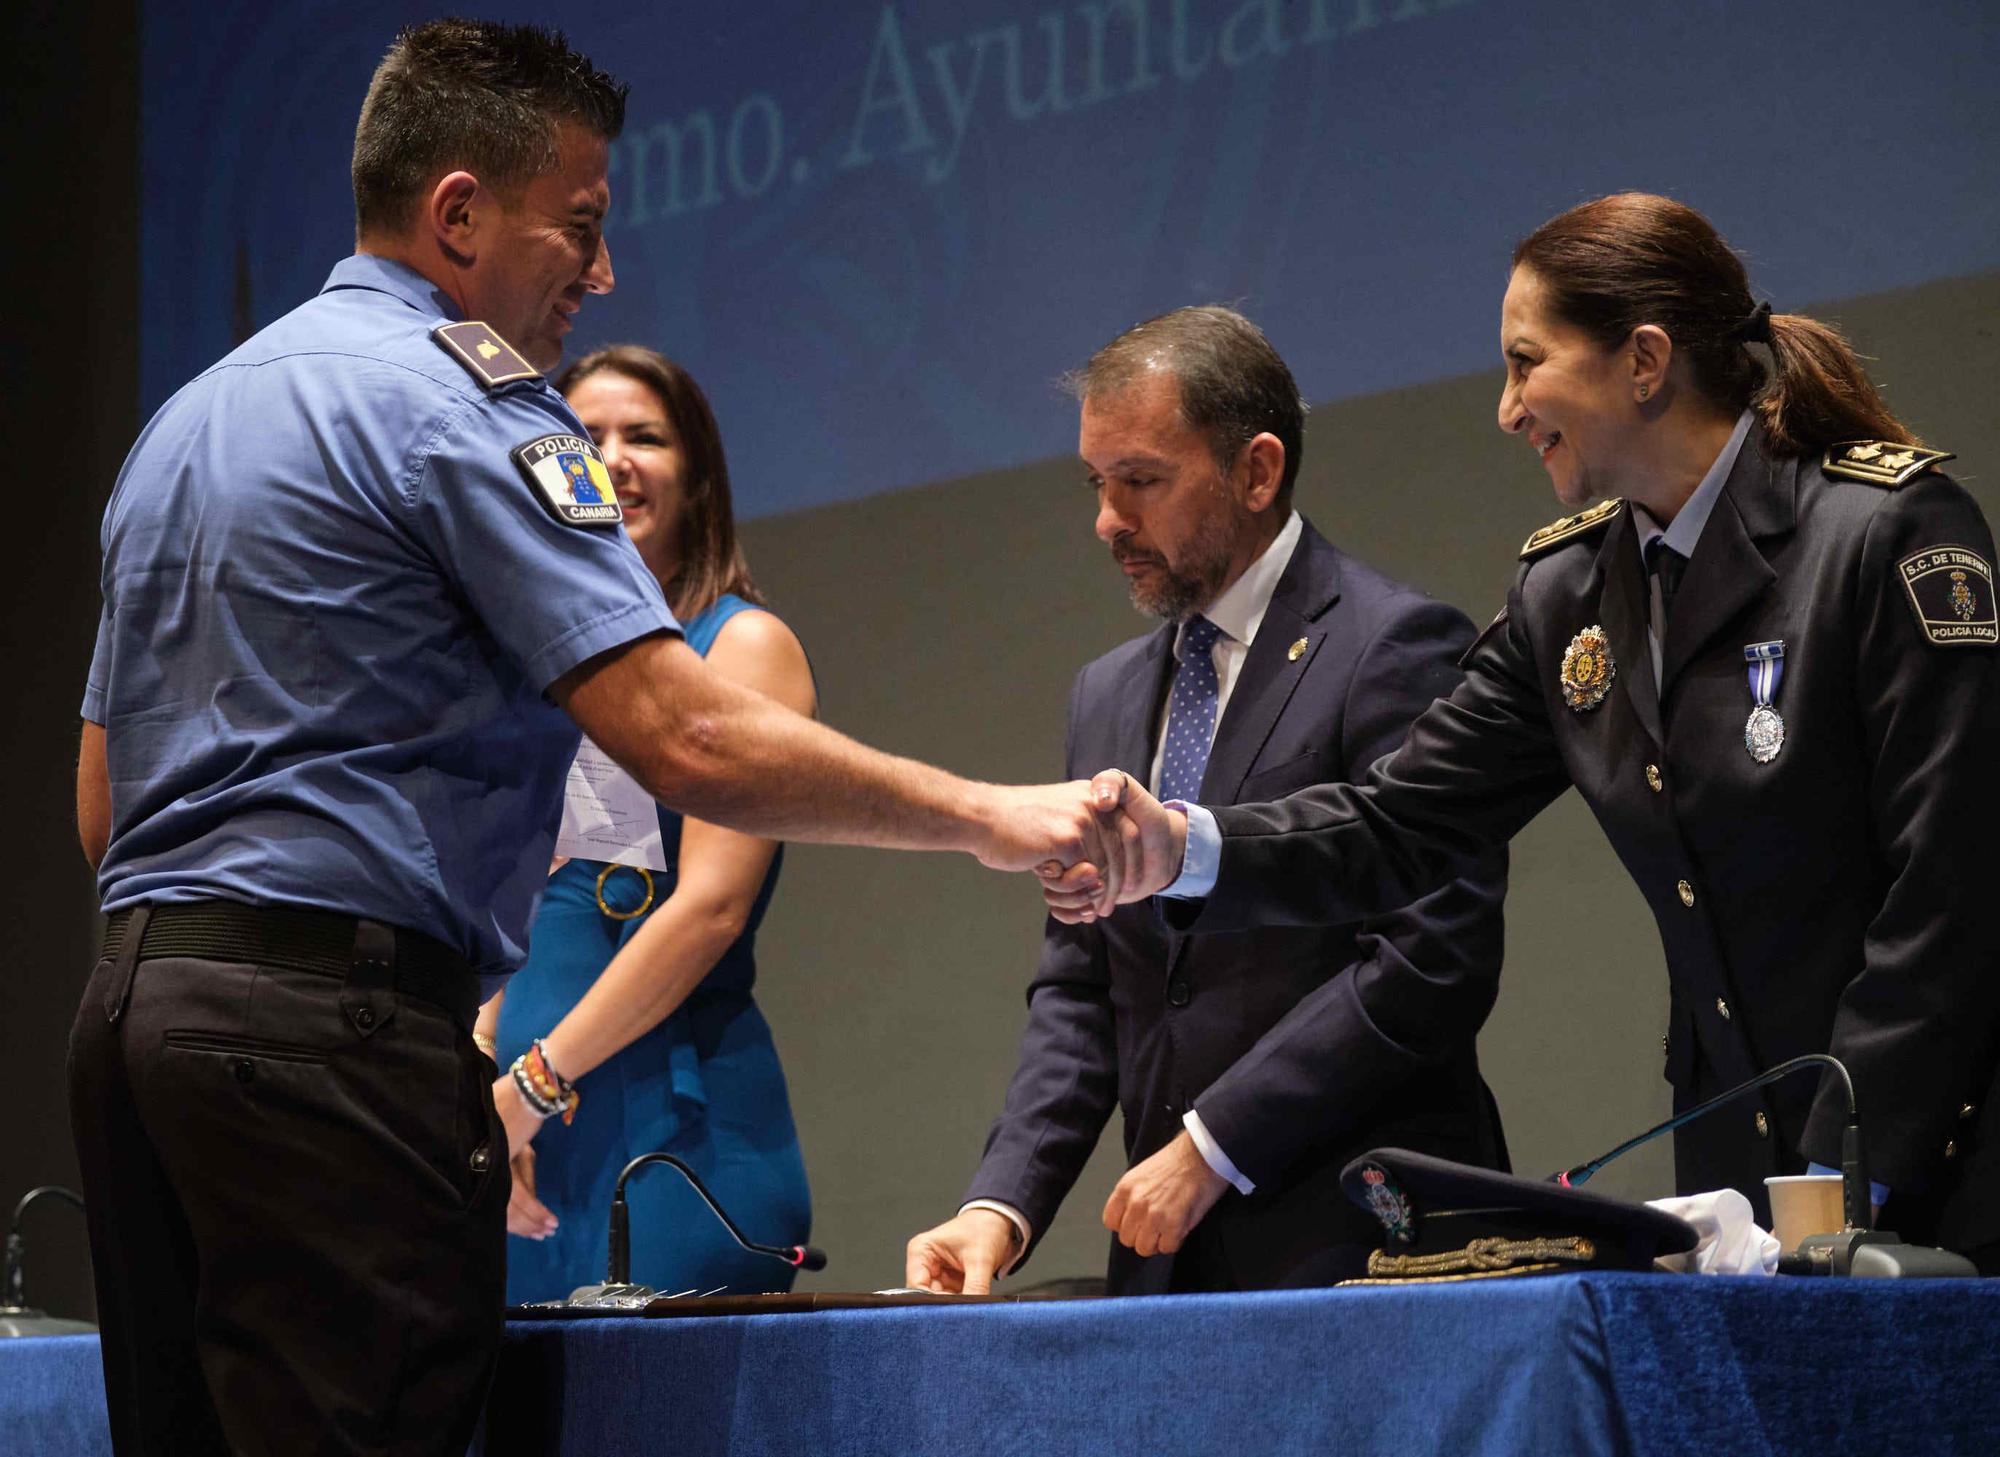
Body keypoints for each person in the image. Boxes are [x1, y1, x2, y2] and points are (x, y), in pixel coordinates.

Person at [71, 21, 1128, 1457]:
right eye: (580, 227)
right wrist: (989, 814)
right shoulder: (463, 406)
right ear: (458, 215)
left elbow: (100, 812)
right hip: (332, 1047)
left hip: (137, 1029)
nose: (605, 271)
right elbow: (684, 741)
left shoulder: (185, 424)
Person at [1050, 194, 2000, 1269]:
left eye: (1523, 362)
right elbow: (1395, 823)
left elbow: (1952, 894)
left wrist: (1834, 1179)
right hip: (1747, 1182)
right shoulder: (1570, 591)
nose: (1504, 409)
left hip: (1932, 1165)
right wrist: (1182, 846)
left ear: (1642, 360)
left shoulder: (1884, 534)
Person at [905, 308, 1509, 1295]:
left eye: (1139, 480)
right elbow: (1081, 984)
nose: (1106, 519)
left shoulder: (1392, 646)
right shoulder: (1103, 695)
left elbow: (1431, 954)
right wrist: (997, 1206)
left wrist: (1213, 1142)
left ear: (1257, 471)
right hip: (1167, 1262)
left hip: (1368, 1248)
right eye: (1096, 484)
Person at [481, 346, 815, 1301]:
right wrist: (475, 1085)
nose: (613, 458)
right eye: (583, 439)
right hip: (517, 1154)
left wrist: (529, 1090)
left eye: (646, 437)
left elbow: (708, 907)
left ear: (699, 480)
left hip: (674, 1144)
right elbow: (507, 908)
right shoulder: (530, 674)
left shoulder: (744, 647)